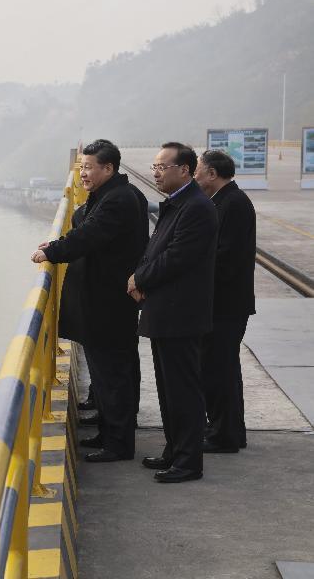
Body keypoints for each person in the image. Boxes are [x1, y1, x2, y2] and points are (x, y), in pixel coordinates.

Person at [31, 139, 148, 462]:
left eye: (88, 167)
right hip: (105, 300)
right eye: (81, 166)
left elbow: (90, 233)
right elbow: (85, 226)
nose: (82, 173)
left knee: (113, 373)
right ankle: (111, 431)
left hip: (107, 302)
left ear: (108, 168)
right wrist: (61, 242)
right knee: (110, 371)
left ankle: (118, 444)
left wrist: (52, 251)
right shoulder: (114, 195)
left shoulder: (118, 200)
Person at [128, 142, 217, 483]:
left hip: (181, 314)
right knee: (168, 389)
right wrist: (140, 274)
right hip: (165, 312)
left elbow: (176, 257)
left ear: (185, 169)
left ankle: (188, 462)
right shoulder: (177, 205)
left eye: (163, 166)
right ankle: (174, 450)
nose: (156, 172)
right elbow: (154, 250)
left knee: (183, 390)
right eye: (155, 166)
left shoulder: (196, 208)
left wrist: (139, 278)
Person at [194, 149, 256, 452]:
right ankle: (226, 429)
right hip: (221, 303)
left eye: (198, 171)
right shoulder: (223, 201)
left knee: (219, 370)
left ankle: (225, 435)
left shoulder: (234, 204)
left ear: (212, 174)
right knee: (221, 369)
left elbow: (225, 257)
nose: (195, 176)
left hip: (227, 305)